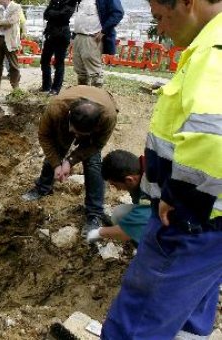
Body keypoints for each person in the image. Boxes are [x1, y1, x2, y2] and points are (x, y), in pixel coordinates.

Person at [101, 0, 222, 337]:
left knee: (135, 323)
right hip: (211, 223)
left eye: (160, 18)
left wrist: (180, 197)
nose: (162, 30)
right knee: (189, 312)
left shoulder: (214, 51)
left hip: (189, 223)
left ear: (188, 3)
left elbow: (214, 138)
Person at [21, 85, 118, 235]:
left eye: (82, 134)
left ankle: (94, 213)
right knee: (56, 149)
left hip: (95, 121)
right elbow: (44, 137)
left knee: (93, 163)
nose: (77, 136)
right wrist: (56, 165)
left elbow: (97, 144)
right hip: (65, 118)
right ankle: (43, 188)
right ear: (70, 116)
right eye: (75, 131)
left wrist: (70, 161)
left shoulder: (108, 117)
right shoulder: (56, 109)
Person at [86, 150, 150, 245]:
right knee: (120, 215)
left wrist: (98, 233)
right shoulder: (141, 169)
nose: (116, 189)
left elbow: (131, 227)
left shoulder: (151, 186)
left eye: (115, 185)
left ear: (129, 180)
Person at [71, 0, 123, 87]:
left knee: (95, 72)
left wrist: (104, 31)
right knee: (80, 70)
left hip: (92, 36)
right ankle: (82, 94)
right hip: (79, 35)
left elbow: (117, 13)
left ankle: (96, 96)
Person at [40, 0, 77, 95]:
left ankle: (56, 88)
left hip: (62, 35)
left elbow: (64, 16)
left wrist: (53, 13)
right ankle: (46, 86)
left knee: (59, 62)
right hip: (50, 33)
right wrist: (55, 13)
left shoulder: (71, 2)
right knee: (44, 60)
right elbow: (45, 14)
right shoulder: (54, 0)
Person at [0, 0, 22, 90]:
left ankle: (15, 85)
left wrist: (0, 22)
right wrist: (2, 22)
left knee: (13, 64)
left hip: (10, 39)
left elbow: (11, 21)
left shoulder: (16, 7)